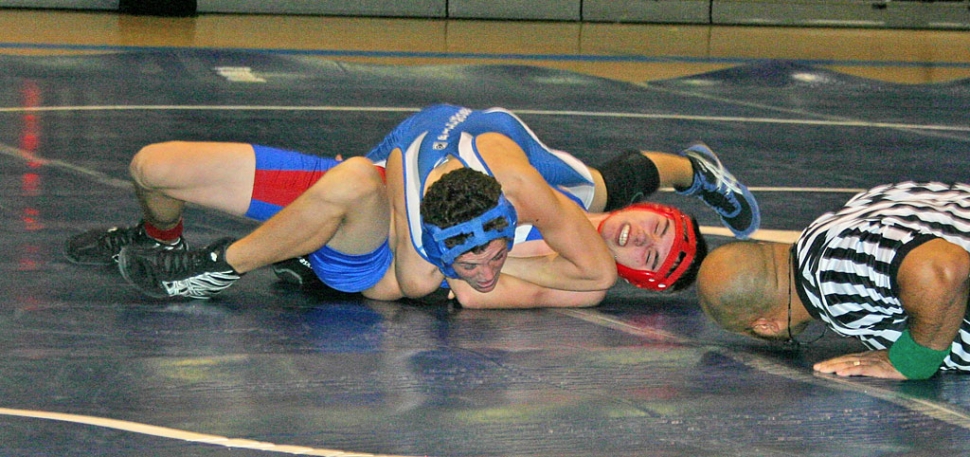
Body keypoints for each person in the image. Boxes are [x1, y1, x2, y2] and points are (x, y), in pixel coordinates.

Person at [67, 104, 755, 307]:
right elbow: (635, 172)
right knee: (151, 167)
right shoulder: (569, 191)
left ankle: (212, 267)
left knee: (362, 187)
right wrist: (695, 170)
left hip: (361, 228)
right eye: (657, 230)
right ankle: (161, 240)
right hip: (347, 184)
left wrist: (400, 170)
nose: (640, 236)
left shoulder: (570, 255)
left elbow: (431, 282)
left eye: (650, 257)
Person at [697, 181, 970, 380]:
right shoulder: (830, 227)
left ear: (767, 326)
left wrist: (913, 360)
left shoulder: (829, 275)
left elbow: (942, 267)